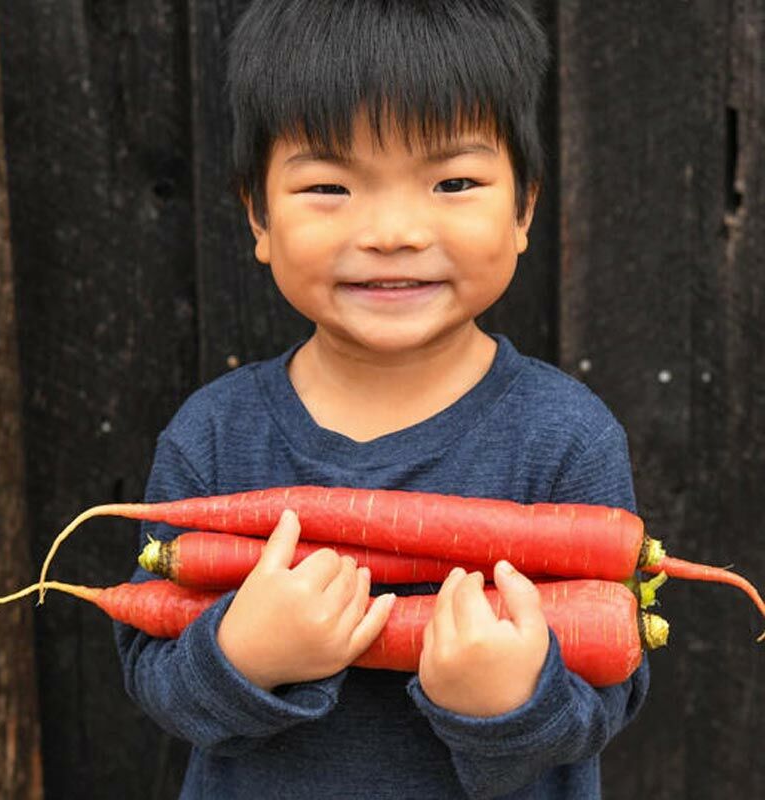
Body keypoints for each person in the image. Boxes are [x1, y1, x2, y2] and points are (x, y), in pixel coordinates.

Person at [114, 1, 649, 797]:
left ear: (525, 206)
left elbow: (610, 692)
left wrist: (510, 703)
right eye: (330, 186)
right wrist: (241, 657)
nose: (393, 231)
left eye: (453, 181)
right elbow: (151, 674)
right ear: (258, 214)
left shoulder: (567, 439)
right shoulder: (213, 437)